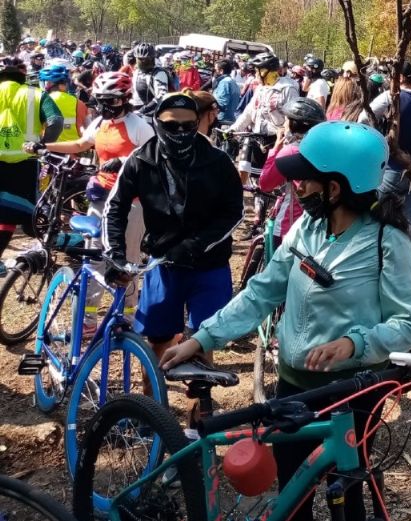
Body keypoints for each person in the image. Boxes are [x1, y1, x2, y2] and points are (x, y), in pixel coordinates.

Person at [158, 121, 411, 521]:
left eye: (304, 180)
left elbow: (408, 323)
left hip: (351, 398)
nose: (295, 187)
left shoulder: (387, 242)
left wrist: (354, 344)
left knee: (347, 500)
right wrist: (203, 338)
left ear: (335, 188)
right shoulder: (306, 228)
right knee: (292, 500)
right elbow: (261, 292)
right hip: (292, 391)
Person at [103, 92, 243, 379]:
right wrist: (116, 254)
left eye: (188, 126)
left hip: (209, 265)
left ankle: (199, 416)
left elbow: (234, 212)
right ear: (156, 123)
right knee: (158, 341)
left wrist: (196, 245)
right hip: (163, 265)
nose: (180, 132)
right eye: (171, 126)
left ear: (198, 124)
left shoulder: (217, 161)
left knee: (202, 343)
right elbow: (115, 207)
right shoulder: (140, 159)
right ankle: (149, 410)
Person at [31, 72, 152, 329]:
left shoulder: (138, 126)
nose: (106, 106)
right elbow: (79, 144)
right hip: (102, 197)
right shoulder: (101, 123)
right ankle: (88, 319)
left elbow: (156, 160)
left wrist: (124, 162)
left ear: (126, 99)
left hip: (133, 201)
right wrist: (45, 146)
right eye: (101, 100)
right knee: (95, 256)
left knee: (126, 261)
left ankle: (128, 316)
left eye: (112, 101)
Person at [0, 57, 64, 274]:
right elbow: (56, 121)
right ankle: (55, 249)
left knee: (5, 213)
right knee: (25, 214)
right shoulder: (35, 94)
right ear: (21, 78)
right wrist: (43, 145)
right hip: (25, 161)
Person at [366, 61, 411, 249]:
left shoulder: (389, 97)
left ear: (398, 78)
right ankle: (406, 263)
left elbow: (363, 118)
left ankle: (376, 256)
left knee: (376, 216)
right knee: (410, 222)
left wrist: (379, 145)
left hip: (389, 166)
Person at [259, 97, 326, 243]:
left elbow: (265, 183)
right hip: (319, 225)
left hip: (288, 226)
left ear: (292, 123)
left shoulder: (290, 151)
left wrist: (275, 150)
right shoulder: (322, 149)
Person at [229, 52, 300, 185]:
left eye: (257, 71)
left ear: (266, 71)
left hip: (276, 141)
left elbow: (293, 118)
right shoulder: (261, 89)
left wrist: (286, 141)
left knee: (269, 182)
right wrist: (233, 129)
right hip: (256, 136)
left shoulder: (288, 90)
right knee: (246, 172)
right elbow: (248, 112)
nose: (255, 75)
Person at [38, 65, 88, 142]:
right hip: (75, 148)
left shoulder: (42, 101)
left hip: (50, 149)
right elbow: (87, 128)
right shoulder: (78, 103)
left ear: (48, 83)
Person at [130, 43, 171, 112]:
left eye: (147, 59)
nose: (144, 62)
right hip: (136, 109)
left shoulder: (158, 73)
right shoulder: (137, 72)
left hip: (153, 112)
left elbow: (162, 96)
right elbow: (134, 92)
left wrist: (143, 110)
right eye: (141, 59)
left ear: (153, 58)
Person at [211, 60, 239, 124]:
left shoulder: (224, 82)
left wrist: (208, 104)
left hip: (222, 121)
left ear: (221, 71)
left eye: (215, 70)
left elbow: (222, 104)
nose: (214, 72)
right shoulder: (232, 81)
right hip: (229, 118)